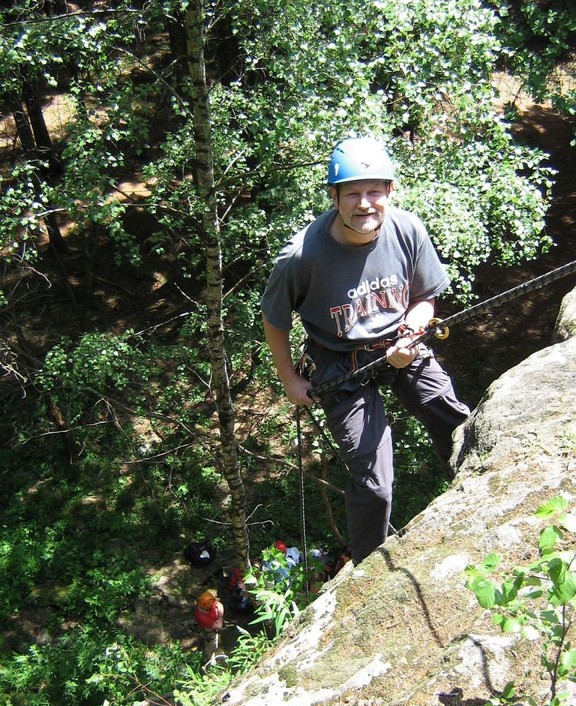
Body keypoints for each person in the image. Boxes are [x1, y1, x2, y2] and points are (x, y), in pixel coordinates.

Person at [261, 136, 470, 565]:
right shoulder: (302, 257)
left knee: (451, 416)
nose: (365, 204)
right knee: (375, 485)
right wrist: (289, 378)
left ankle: (478, 487)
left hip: (400, 341)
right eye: (352, 193)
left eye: (374, 191)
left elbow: (426, 296)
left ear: (389, 192)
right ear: (334, 197)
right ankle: (369, 567)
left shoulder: (407, 229)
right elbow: (275, 319)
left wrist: (413, 329)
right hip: (339, 361)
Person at [194, 590, 225, 663]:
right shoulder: (202, 617)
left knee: (214, 642)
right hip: (209, 630)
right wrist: (220, 618)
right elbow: (218, 626)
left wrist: (219, 615)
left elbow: (219, 605)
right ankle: (210, 658)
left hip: (214, 624)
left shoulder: (207, 602)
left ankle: (214, 651)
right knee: (210, 644)